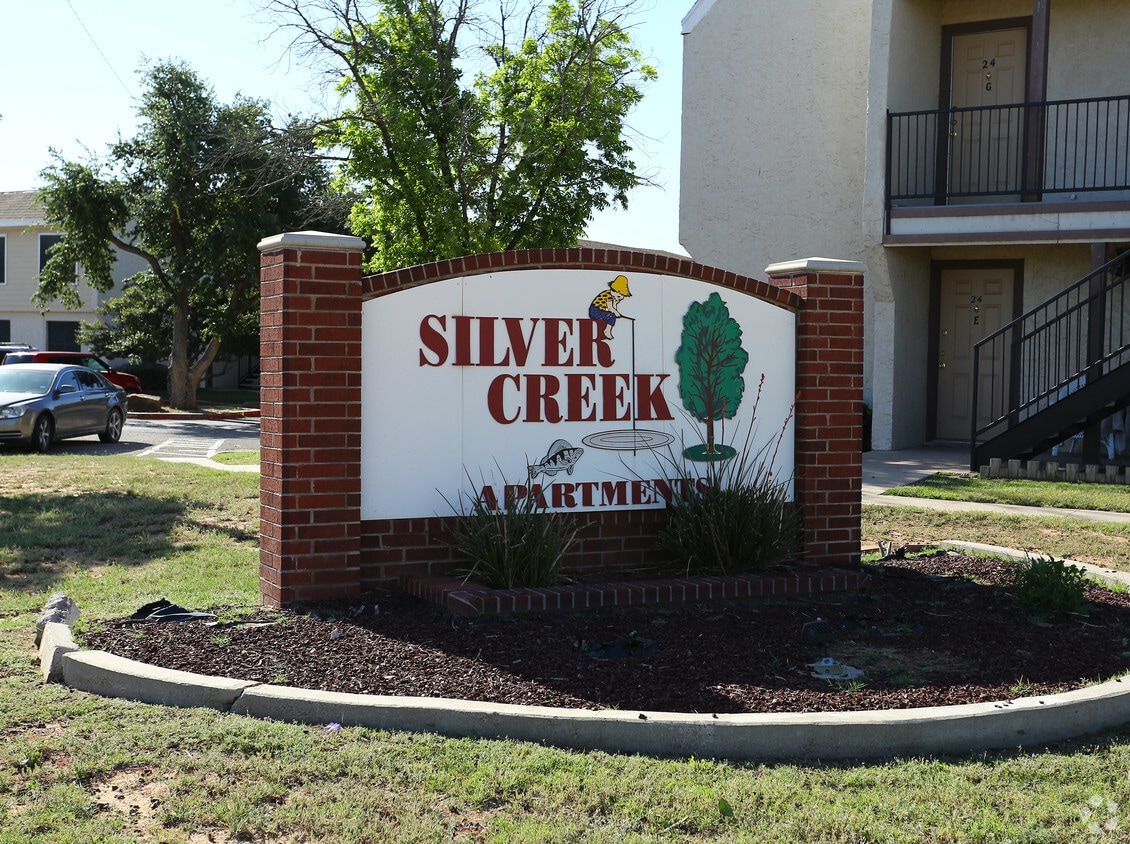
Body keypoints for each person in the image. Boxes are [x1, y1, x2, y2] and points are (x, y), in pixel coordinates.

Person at [588, 274, 632, 339]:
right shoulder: (607, 295)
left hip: (600, 311)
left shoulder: (612, 297)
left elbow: (613, 308)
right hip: (595, 311)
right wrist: (616, 313)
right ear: (616, 291)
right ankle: (607, 331)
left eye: (620, 298)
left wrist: (616, 303)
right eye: (618, 296)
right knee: (611, 316)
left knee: (612, 316)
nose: (618, 299)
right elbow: (610, 308)